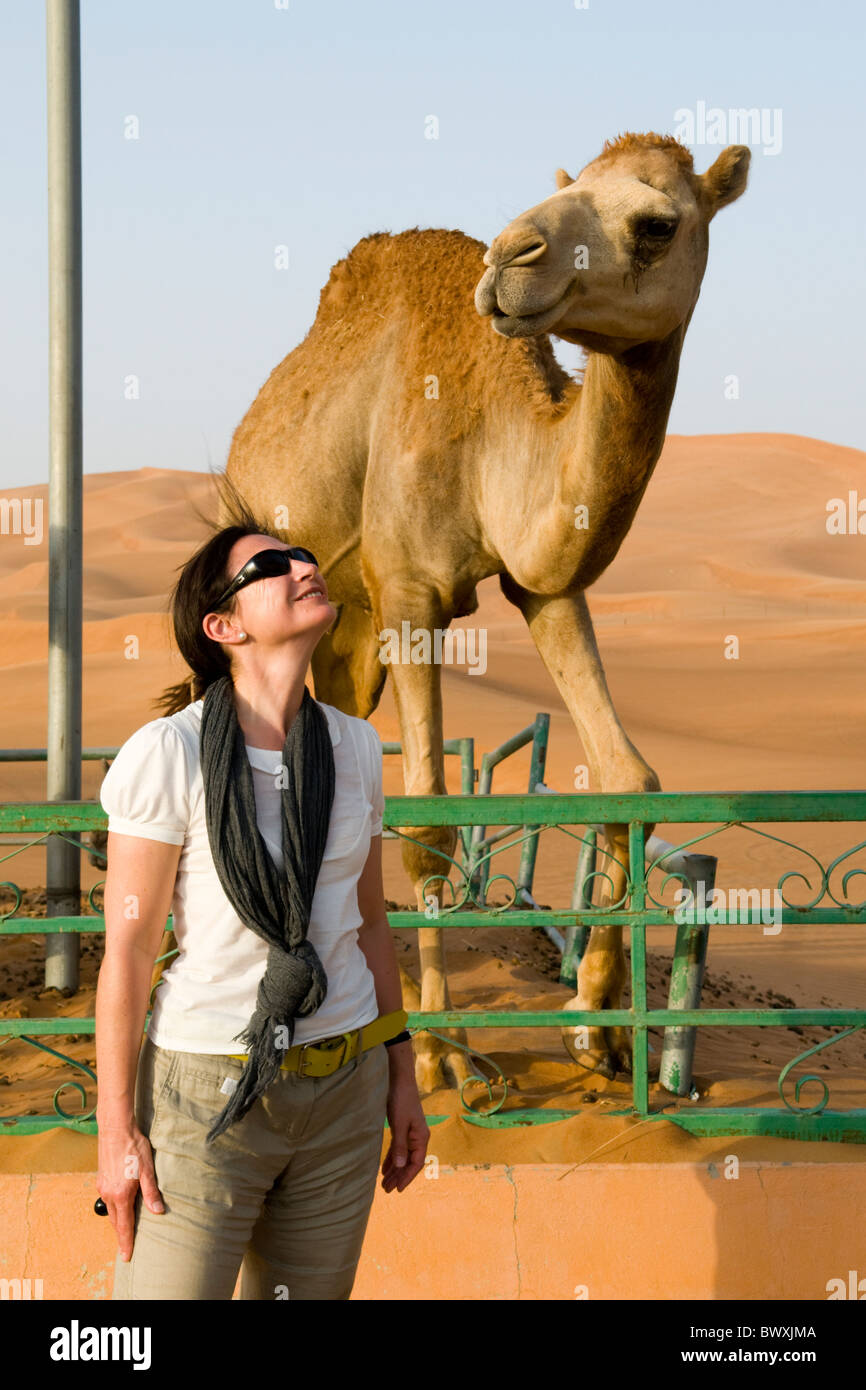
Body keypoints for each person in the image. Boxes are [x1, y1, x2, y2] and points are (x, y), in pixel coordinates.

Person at [94, 485, 430, 1300]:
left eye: (303, 554)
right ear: (225, 626)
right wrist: (116, 1133)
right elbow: (130, 954)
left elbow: (370, 925)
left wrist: (401, 1073)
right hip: (206, 1088)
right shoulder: (167, 755)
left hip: (344, 1092)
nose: (304, 566)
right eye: (271, 566)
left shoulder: (355, 747)